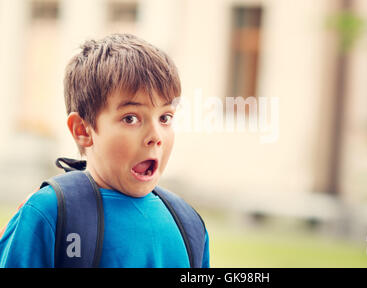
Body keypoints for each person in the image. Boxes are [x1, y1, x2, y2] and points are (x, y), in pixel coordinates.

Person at [0, 33, 210, 268]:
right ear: (83, 130)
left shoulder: (190, 226)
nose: (155, 137)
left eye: (165, 117)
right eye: (131, 118)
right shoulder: (50, 213)